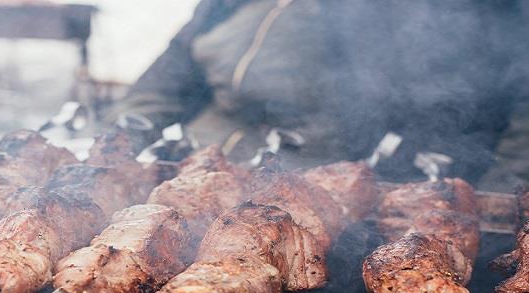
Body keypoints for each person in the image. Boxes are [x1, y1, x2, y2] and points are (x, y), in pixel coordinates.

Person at [107, 0, 526, 184]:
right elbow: (163, 84)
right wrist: (113, 151)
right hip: (197, 172)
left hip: (320, 182)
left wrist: (502, 189)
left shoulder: (412, 15)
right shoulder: (226, 3)